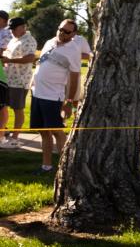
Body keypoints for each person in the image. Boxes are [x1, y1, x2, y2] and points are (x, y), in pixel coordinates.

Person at [30, 19, 82, 174]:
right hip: (37, 94)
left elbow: (74, 77)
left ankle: (65, 169)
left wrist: (69, 101)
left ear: (73, 34)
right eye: (60, 29)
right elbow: (41, 64)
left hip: (53, 97)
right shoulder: (50, 42)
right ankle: (46, 166)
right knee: (43, 132)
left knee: (57, 131)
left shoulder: (73, 49)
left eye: (66, 31)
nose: (62, 33)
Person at [0, 17, 35, 149]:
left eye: (14, 29)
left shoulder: (29, 40)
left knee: (18, 109)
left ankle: (15, 138)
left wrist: (10, 60)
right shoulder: (14, 39)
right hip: (8, 80)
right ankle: (2, 137)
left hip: (19, 81)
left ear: (22, 27)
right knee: (4, 108)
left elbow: (30, 58)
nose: (12, 32)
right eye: (11, 29)